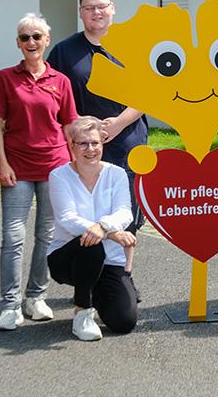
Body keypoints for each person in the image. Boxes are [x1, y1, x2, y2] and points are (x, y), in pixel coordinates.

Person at [47, 0, 148, 300]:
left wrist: (118, 124)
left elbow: (148, 92)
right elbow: (56, 96)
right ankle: (89, 275)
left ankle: (122, 276)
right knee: (87, 211)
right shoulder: (65, 51)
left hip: (128, 140)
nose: (97, 12)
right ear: (81, 13)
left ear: (113, 9)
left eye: (102, 6)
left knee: (127, 212)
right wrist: (86, 130)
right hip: (85, 148)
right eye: (90, 7)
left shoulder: (134, 46)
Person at [0, 13, 78, 331]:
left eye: (36, 37)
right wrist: (2, 163)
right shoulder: (5, 78)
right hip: (18, 168)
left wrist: (74, 166)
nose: (31, 42)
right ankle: (10, 305)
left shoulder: (60, 81)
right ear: (18, 43)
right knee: (13, 238)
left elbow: (69, 126)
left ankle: (35, 297)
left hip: (54, 168)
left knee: (47, 235)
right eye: (25, 37)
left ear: (46, 41)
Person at [47, 117, 138, 341]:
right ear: (72, 146)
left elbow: (125, 212)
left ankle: (94, 291)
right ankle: (82, 312)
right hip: (67, 258)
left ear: (103, 144)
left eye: (95, 143)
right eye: (83, 144)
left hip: (110, 260)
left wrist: (103, 227)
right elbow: (67, 218)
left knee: (123, 322)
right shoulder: (59, 176)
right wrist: (111, 233)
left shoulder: (116, 174)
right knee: (91, 245)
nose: (90, 149)